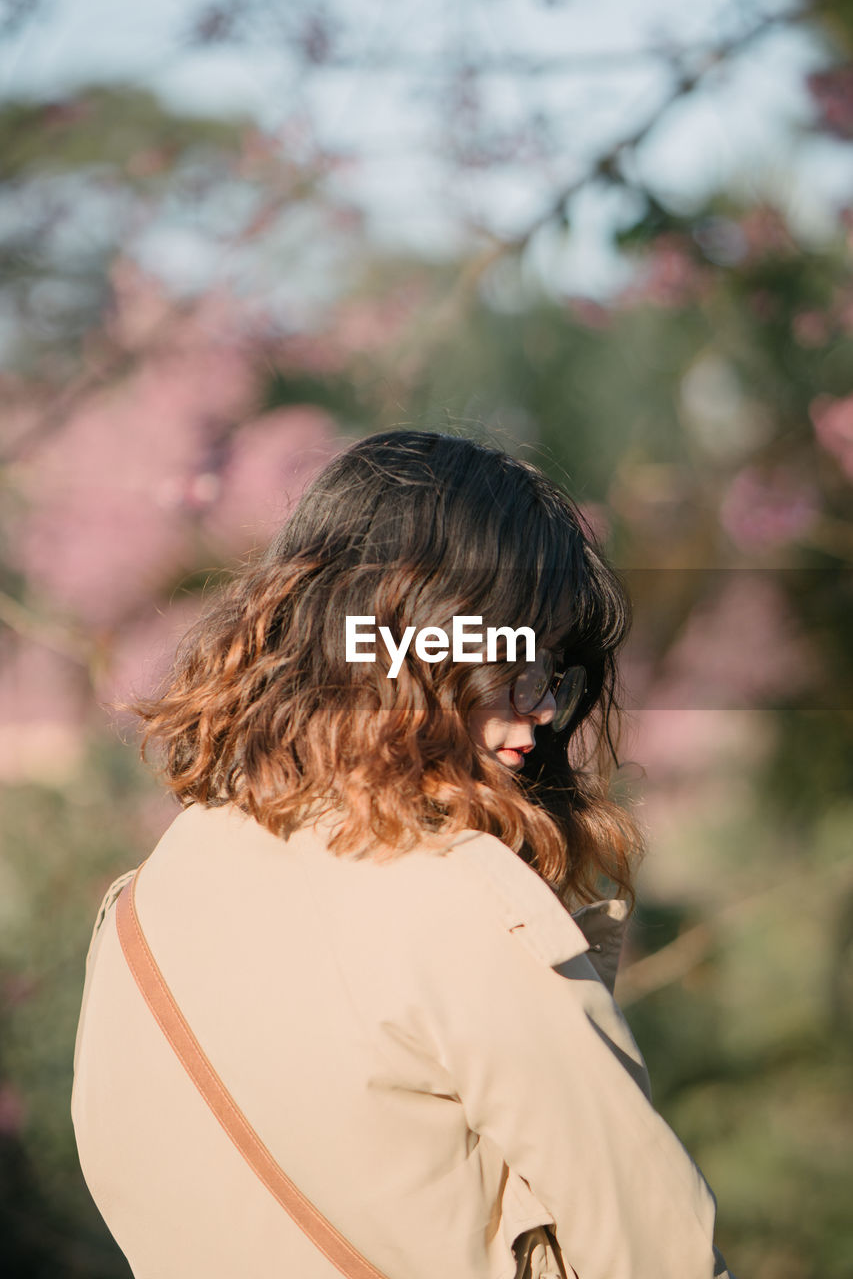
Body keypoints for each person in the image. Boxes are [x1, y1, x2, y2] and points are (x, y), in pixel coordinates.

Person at [71, 429, 734, 1279]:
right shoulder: (455, 896)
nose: (539, 715)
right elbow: (659, 1254)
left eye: (554, 677)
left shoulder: (139, 913)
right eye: (518, 661)